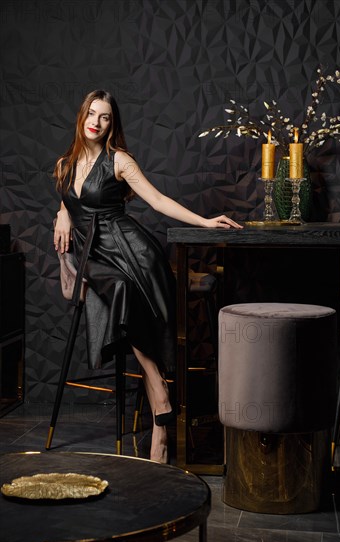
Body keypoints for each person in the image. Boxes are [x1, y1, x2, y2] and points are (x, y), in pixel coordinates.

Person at [53, 90, 242, 463]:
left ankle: (157, 395)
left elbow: (157, 201)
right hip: (92, 253)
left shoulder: (119, 160)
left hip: (129, 248)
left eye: (105, 117)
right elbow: (72, 199)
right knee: (117, 288)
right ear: (82, 117)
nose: (96, 121)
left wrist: (205, 221)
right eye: (91, 113)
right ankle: (158, 393)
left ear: (112, 124)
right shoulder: (65, 164)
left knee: (123, 288)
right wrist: (61, 210)